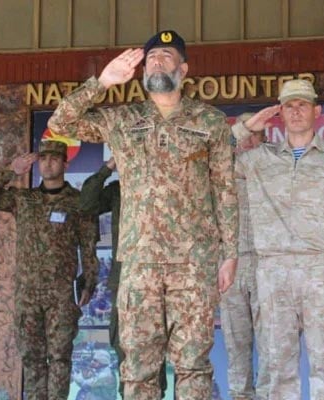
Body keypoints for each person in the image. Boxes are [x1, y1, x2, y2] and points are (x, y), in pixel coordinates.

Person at [47, 30, 238, 399]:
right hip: (139, 264)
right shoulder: (123, 119)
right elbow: (61, 123)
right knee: (137, 367)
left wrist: (229, 253)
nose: (157, 62)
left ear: (183, 69)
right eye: (151, 58)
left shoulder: (209, 121)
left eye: (166, 56)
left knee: (193, 365)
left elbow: (225, 190)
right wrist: (102, 82)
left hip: (193, 263)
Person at [232, 79, 324, 399]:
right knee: (279, 365)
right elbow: (209, 158)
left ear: (316, 111)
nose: (296, 112)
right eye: (289, 106)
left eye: (303, 105)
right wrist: (246, 129)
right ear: (279, 113)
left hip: (321, 269)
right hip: (273, 269)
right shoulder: (258, 159)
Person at [0, 141, 98, 400]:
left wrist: (89, 282)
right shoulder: (24, 199)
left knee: (59, 357)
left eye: (54, 159)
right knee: (32, 357)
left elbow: (88, 245)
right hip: (28, 293)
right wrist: (11, 171)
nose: (47, 164)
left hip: (61, 295)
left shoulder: (78, 203)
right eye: (43, 158)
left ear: (65, 164)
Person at [80, 157, 169, 398]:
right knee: (123, 346)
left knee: (155, 349)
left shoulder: (168, 183)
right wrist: (108, 167)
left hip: (158, 281)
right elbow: (85, 203)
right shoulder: (119, 189)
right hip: (124, 282)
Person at [220, 112, 267, 400]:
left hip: (266, 265)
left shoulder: (276, 171)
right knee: (236, 342)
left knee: (271, 343)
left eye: (255, 135)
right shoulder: (220, 171)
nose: (249, 142)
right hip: (231, 264)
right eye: (244, 136)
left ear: (265, 139)